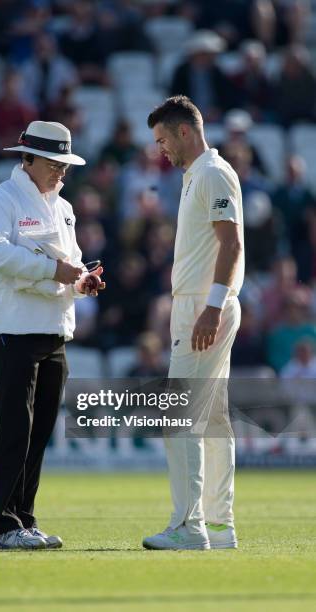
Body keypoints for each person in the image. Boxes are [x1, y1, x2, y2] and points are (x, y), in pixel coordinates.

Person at [0, 120, 105, 550]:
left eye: (64, 164)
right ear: (25, 158)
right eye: (53, 163)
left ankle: (23, 521)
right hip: (12, 329)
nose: (60, 172)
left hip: (53, 332)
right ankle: (3, 527)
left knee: (39, 430)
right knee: (15, 427)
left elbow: (72, 264)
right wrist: (55, 271)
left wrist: (83, 283)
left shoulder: (62, 208)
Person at [143, 96, 244, 551]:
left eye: (163, 138)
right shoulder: (194, 176)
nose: (160, 148)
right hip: (200, 306)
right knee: (214, 420)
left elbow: (233, 242)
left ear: (186, 131)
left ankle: (189, 526)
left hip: (205, 309)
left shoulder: (212, 173)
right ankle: (220, 527)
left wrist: (212, 306)